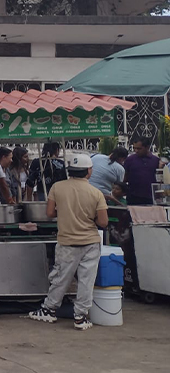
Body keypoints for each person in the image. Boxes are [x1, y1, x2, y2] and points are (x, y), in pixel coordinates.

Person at [28, 154, 108, 331]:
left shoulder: (57, 187)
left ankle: (49, 309)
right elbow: (103, 222)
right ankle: (80, 317)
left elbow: (49, 213)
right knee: (86, 280)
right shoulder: (96, 193)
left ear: (70, 170)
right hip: (90, 242)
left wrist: (65, 212)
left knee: (61, 277)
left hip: (67, 241)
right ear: (89, 171)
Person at [124, 137, 162, 205]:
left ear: (147, 147)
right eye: (134, 148)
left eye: (139, 148)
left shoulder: (156, 160)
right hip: (133, 196)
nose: (136, 151)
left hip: (150, 197)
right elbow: (125, 176)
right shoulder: (130, 160)